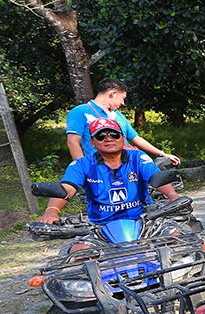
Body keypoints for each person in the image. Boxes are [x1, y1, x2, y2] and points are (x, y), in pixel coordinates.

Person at [37, 118, 180, 228]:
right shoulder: (82, 165)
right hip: (99, 227)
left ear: (123, 139)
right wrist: (51, 211)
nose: (108, 138)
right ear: (92, 142)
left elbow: (157, 177)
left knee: (177, 238)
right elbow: (66, 188)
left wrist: (173, 197)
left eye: (114, 134)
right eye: (101, 136)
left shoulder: (138, 158)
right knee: (78, 254)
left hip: (145, 221)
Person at [66, 78, 180, 166]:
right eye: (122, 98)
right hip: (100, 167)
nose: (123, 103)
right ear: (112, 94)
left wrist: (162, 154)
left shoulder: (118, 115)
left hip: (127, 165)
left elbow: (136, 138)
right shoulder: (80, 112)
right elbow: (73, 142)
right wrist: (82, 168)